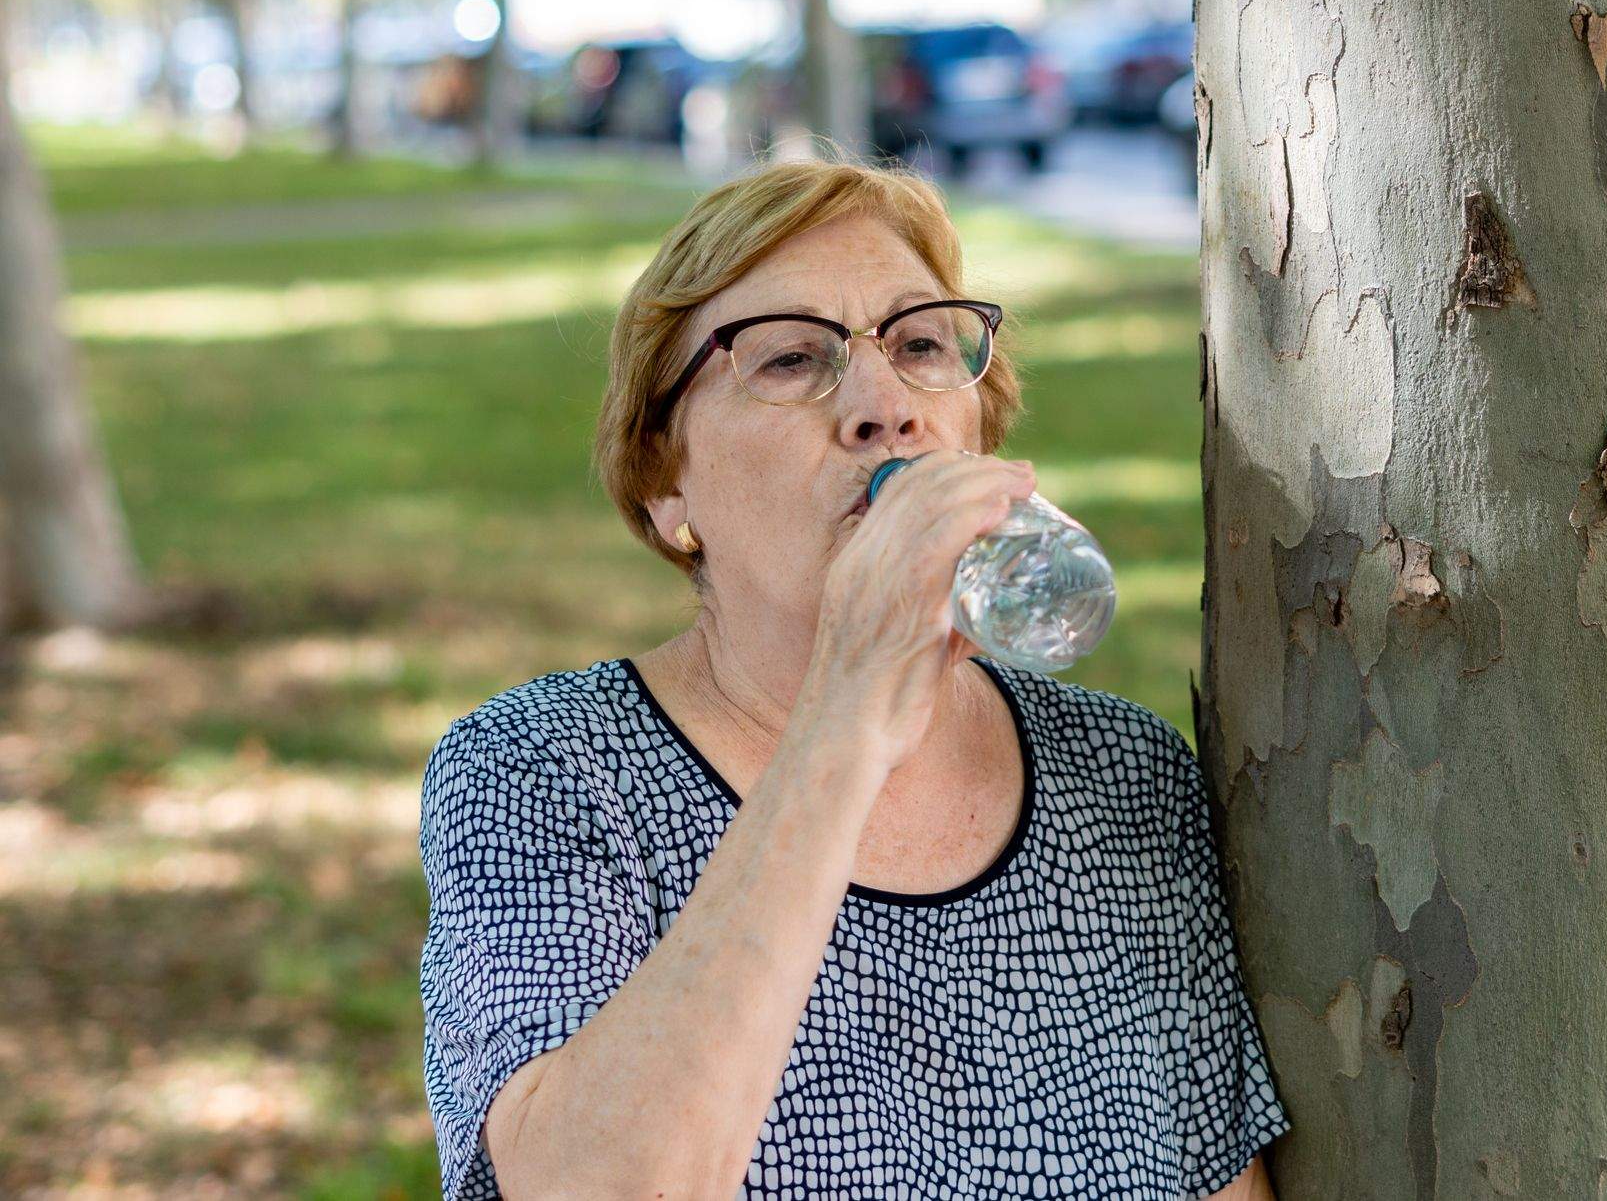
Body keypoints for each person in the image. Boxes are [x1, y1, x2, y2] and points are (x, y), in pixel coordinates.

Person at [416, 149, 1291, 1198]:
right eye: (789, 360)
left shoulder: (1124, 773)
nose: (884, 404)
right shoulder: (545, 767)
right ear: (664, 483)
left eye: (920, 343)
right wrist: (850, 710)